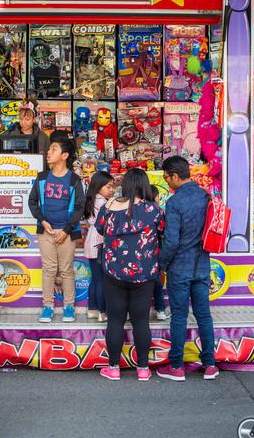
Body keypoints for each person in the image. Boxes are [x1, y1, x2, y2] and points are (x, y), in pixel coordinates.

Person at [95, 168, 165, 381]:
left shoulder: (108, 206)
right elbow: (163, 231)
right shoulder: (154, 210)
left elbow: (100, 229)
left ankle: (113, 368)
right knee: (141, 320)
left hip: (114, 272)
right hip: (144, 274)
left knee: (115, 320)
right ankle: (143, 369)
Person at [156, 156, 218, 382]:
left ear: (174, 176)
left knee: (179, 316)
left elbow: (171, 241)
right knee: (204, 316)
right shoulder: (205, 195)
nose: (166, 181)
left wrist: (161, 264)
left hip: (179, 268)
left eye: (166, 177)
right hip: (202, 265)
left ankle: (177, 366)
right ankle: (210, 365)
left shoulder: (174, 202)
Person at [29, 138, 84, 324]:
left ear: (65, 155)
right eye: (49, 149)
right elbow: (32, 202)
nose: (48, 152)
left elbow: (79, 208)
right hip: (46, 232)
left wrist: (67, 230)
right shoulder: (42, 177)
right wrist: (42, 221)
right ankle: (47, 306)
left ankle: (69, 306)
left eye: (53, 149)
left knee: (67, 270)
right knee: (49, 270)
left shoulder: (74, 180)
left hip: (67, 233)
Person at [83, 171, 114, 322]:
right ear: (99, 186)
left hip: (91, 241)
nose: (111, 190)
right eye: (108, 186)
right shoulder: (103, 203)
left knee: (95, 279)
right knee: (102, 280)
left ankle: (92, 309)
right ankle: (103, 311)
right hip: (100, 241)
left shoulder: (91, 200)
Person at [148, 184, 169, 322]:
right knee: (157, 282)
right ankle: (160, 310)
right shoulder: (158, 211)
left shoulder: (137, 209)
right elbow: (163, 229)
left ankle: (133, 312)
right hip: (156, 251)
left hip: (140, 252)